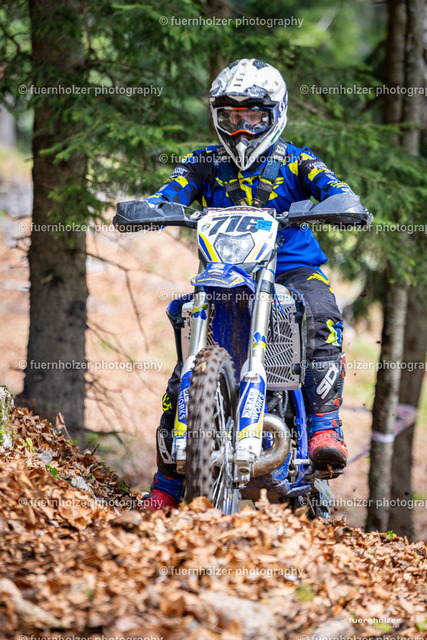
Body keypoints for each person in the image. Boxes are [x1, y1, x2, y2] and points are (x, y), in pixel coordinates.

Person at [140, 58, 355, 511]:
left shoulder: (297, 160)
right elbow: (170, 191)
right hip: (223, 274)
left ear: (275, 114)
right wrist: (152, 208)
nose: (241, 129)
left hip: (291, 269)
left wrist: (340, 203)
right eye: (230, 117)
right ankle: (167, 483)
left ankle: (324, 427)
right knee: (185, 363)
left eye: (253, 116)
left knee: (321, 313)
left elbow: (334, 188)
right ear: (216, 116)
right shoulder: (204, 162)